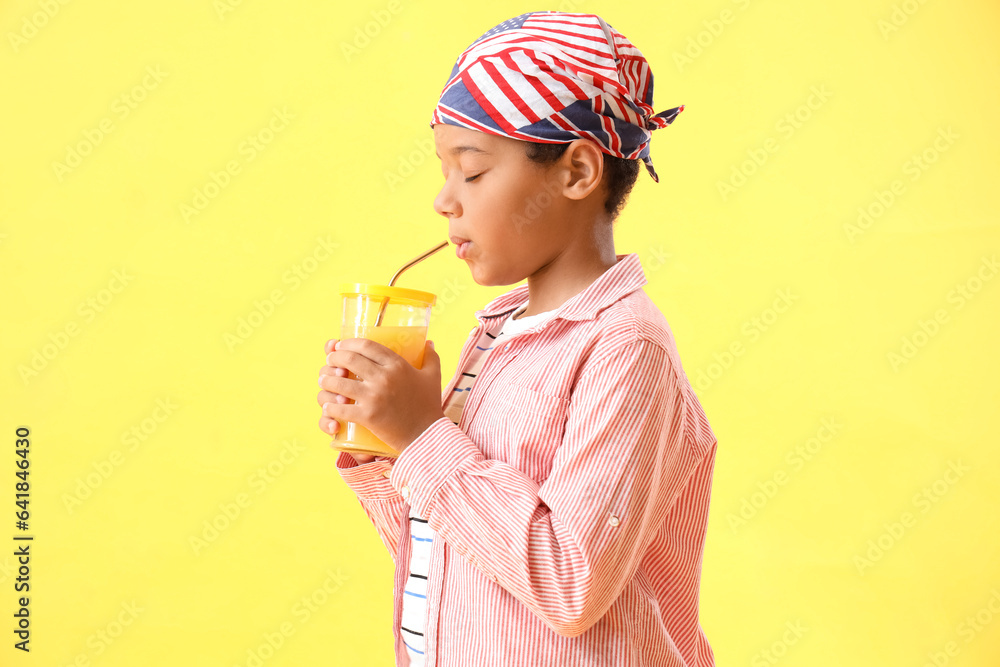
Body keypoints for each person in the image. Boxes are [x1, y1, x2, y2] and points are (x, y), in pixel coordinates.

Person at [317, 11, 717, 667]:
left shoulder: (623, 348)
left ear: (576, 172)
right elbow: (461, 560)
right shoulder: (496, 335)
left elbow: (569, 583)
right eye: (444, 172)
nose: (445, 200)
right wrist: (385, 449)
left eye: (470, 171)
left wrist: (422, 436)